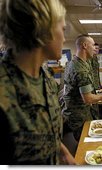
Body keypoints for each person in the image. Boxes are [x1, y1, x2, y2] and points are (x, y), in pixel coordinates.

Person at [0, 0, 76, 164]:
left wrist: (64, 153)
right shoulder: (4, 91)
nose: (64, 38)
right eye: (62, 29)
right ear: (43, 29)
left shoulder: (46, 77)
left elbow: (47, 132)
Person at [62, 34, 102, 141]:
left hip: (78, 112)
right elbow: (88, 98)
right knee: (85, 145)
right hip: (79, 115)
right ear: (85, 45)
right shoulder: (80, 69)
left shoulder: (74, 63)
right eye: (93, 45)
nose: (95, 48)